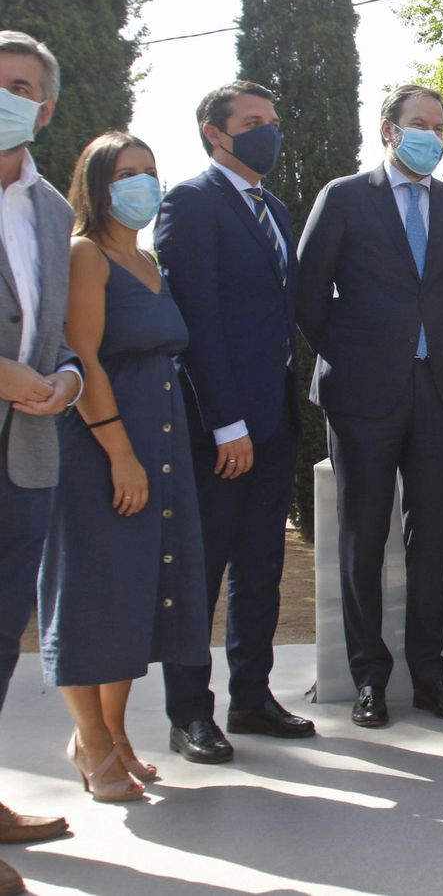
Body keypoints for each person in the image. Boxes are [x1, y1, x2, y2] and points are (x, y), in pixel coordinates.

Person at [297, 85, 443, 728]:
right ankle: (369, 678)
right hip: (362, 398)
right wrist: (351, 359)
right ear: (387, 131)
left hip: (436, 394)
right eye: (417, 124)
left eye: (438, 125)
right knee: (362, 539)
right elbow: (309, 293)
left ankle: (431, 677)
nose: (430, 134)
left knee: (430, 539)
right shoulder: (344, 197)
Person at [39, 133, 210, 801]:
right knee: (92, 595)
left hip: (161, 447)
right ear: (97, 184)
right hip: (102, 450)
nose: (143, 184)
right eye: (127, 173)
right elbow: (84, 357)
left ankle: (113, 733)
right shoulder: (88, 255)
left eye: (150, 171)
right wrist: (120, 454)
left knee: (137, 597)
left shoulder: (148, 259)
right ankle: (90, 739)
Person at [157, 80, 314, 764]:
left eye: (272, 121)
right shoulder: (190, 204)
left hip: (275, 415)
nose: (267, 132)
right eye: (252, 122)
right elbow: (196, 325)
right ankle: (190, 711)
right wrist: (225, 422)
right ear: (215, 134)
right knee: (205, 567)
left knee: (263, 563)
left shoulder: (272, 207)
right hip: (221, 428)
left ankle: (252, 694)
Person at [0, 30, 81, 892]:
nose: (7, 95)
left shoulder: (51, 211)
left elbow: (56, 337)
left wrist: (63, 376)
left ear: (44, 107)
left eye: (20, 85)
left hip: (25, 455)